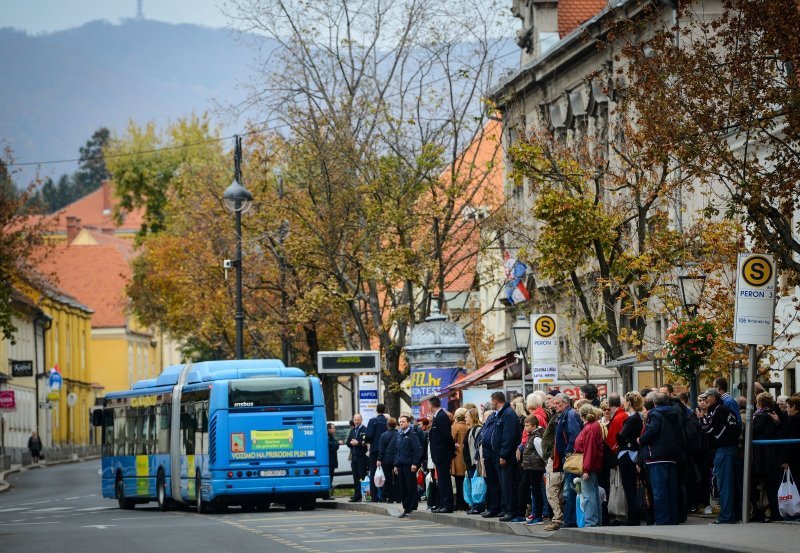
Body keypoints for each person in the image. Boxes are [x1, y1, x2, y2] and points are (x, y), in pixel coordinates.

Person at [638, 392, 683, 525]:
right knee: (671, 489)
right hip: (672, 456)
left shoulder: (655, 414)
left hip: (656, 457)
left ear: (654, 403)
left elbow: (651, 431)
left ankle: (662, 519)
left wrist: (640, 439)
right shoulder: (673, 413)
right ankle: (673, 518)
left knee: (659, 491)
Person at [698, 387, 740, 524]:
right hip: (728, 449)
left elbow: (709, 429)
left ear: (713, 398)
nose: (704, 400)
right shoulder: (721, 409)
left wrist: (701, 418)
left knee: (724, 484)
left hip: (724, 450)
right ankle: (732, 515)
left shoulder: (719, 410)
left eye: (706, 397)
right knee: (729, 484)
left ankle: (726, 517)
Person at [546, 393, 582, 530]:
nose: (555, 406)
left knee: (569, 490)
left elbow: (575, 436)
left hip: (570, 458)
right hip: (565, 457)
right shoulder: (563, 415)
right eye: (554, 403)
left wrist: (568, 452)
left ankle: (570, 520)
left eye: (557, 403)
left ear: (566, 403)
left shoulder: (570, 415)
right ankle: (569, 519)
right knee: (568, 490)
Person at [491, 391, 523, 522]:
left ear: (495, 401)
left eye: (492, 400)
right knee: (506, 485)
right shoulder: (503, 413)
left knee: (509, 485)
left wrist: (503, 454)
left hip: (507, 457)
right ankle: (508, 510)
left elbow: (508, 437)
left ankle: (512, 511)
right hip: (501, 455)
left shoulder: (508, 414)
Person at [751, 393, 781, 521]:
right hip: (769, 454)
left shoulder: (761, 416)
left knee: (765, 485)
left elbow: (752, 431)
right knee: (770, 485)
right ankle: (773, 512)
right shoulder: (772, 414)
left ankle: (767, 513)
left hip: (762, 455)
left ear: (760, 403)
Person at [574, 404, 605, 527]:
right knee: (593, 493)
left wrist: (586, 469)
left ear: (582, 416)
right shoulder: (594, 426)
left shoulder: (589, 428)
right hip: (593, 464)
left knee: (588, 494)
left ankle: (591, 522)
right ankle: (595, 521)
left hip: (589, 465)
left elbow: (589, 449)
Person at [617, 391, 644, 525]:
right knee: (632, 486)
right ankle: (634, 516)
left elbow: (621, 435)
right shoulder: (639, 417)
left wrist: (620, 442)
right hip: (634, 452)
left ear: (629, 402)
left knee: (629, 487)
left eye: (626, 402)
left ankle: (633, 517)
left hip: (627, 453)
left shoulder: (632, 419)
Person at [427, 396, 455, 513]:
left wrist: (451, 450)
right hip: (439, 454)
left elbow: (446, 436)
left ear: (432, 405)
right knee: (441, 481)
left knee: (444, 480)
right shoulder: (437, 416)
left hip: (442, 454)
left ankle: (447, 505)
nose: (428, 407)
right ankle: (443, 503)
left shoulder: (441, 417)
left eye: (428, 405)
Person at [519, 414, 546, 525]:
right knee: (525, 489)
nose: (525, 428)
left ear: (534, 426)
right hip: (530, 468)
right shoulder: (532, 435)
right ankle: (532, 514)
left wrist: (544, 469)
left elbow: (542, 454)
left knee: (536, 492)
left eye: (527, 425)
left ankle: (538, 516)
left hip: (535, 468)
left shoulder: (536, 438)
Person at [394, 414, 422, 518]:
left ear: (408, 423)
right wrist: (395, 465)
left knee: (411, 486)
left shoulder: (412, 435)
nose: (401, 423)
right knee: (403, 487)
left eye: (403, 421)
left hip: (409, 465)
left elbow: (417, 450)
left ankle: (412, 506)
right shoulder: (399, 435)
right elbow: (396, 451)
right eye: (400, 422)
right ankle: (406, 507)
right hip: (400, 464)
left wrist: (415, 463)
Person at [542, 391, 564, 528]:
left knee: (552, 489)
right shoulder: (555, 416)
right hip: (554, 457)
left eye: (553, 400)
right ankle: (559, 517)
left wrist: (550, 454)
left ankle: (558, 519)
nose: (549, 402)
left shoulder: (562, 417)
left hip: (556, 458)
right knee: (556, 491)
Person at [480, 407, 501, 518]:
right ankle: (493, 507)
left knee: (495, 484)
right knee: (491, 484)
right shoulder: (489, 422)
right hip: (488, 455)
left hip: (494, 455)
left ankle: (496, 508)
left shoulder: (496, 420)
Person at [365, 404, 389, 501]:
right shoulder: (387, 421)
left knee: (373, 473)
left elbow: (368, 436)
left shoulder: (373, 421)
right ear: (385, 410)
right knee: (385, 473)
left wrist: (367, 440)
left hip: (375, 450)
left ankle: (374, 497)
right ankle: (384, 496)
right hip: (385, 451)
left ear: (377, 410)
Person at [464, 407, 485, 515]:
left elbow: (477, 446)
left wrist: (476, 461)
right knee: (473, 484)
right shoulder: (471, 429)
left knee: (477, 485)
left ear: (472, 417)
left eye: (467, 417)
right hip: (470, 462)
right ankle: (475, 505)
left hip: (474, 462)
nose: (465, 419)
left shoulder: (477, 429)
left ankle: (479, 506)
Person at [347, 413, 369, 502]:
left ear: (361, 420)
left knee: (362, 477)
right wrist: (351, 443)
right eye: (355, 420)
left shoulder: (364, 430)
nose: (356, 422)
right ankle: (357, 496)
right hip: (354, 458)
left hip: (362, 458)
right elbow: (348, 442)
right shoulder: (352, 431)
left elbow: (366, 442)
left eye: (358, 420)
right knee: (355, 477)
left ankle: (365, 496)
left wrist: (358, 443)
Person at [450, 408, 470, 510]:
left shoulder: (455, 427)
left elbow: (451, 441)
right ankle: (467, 502)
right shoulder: (468, 426)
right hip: (468, 457)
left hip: (457, 457)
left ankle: (460, 503)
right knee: (467, 481)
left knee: (459, 482)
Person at [377, 418, 399, 503]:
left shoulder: (383, 435)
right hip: (396, 460)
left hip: (386, 460)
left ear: (387, 425)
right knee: (397, 479)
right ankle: (398, 497)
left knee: (388, 479)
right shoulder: (398, 434)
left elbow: (381, 449)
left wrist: (379, 459)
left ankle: (390, 498)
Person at [327, 423, 339, 494]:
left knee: (331, 477)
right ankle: (328, 494)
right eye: (333, 428)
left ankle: (328, 493)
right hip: (330, 461)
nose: (335, 429)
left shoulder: (331, 437)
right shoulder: (327, 437)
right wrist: (337, 443)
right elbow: (333, 447)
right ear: (329, 429)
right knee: (330, 477)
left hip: (331, 461)